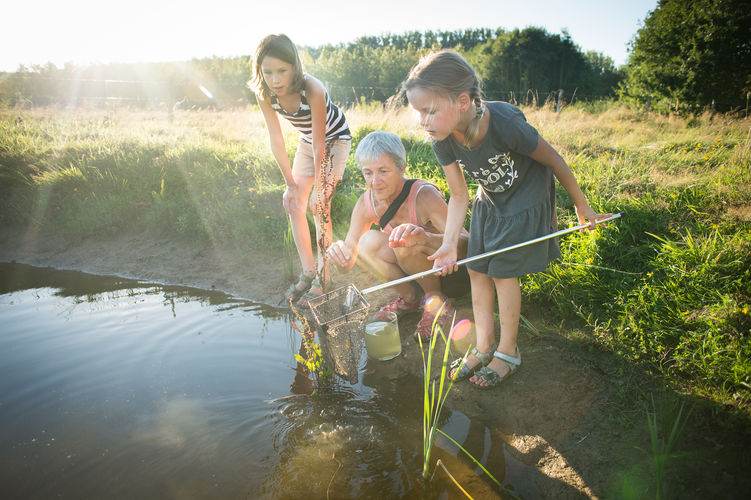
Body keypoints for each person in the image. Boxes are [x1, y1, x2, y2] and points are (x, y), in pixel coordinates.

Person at [402, 50, 610, 388]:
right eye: (418, 113)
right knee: (477, 269)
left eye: (430, 110)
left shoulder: (505, 124)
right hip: (492, 199)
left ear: (463, 102)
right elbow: (458, 194)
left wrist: (582, 206)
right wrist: (450, 243)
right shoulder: (442, 140)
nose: (423, 121)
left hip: (526, 196)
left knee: (501, 272)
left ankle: (509, 351)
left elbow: (555, 160)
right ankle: (484, 346)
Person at [325, 131, 470, 339]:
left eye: (383, 171)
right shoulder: (366, 204)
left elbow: (467, 243)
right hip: (416, 274)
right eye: (368, 173)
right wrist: (339, 255)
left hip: (451, 275)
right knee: (367, 242)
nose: (375, 181)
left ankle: (436, 301)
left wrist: (425, 239)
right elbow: (348, 263)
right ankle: (410, 297)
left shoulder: (423, 196)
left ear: (402, 168)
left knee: (404, 241)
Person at [250, 34, 352, 306]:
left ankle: (324, 275)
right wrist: (289, 185)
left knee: (320, 207)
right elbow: (276, 139)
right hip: (307, 142)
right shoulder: (265, 94)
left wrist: (320, 188)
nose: (275, 79)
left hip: (335, 140)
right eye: (268, 72)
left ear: (294, 66)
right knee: (295, 204)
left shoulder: (312, 89)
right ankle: (308, 272)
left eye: (282, 70)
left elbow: (322, 144)